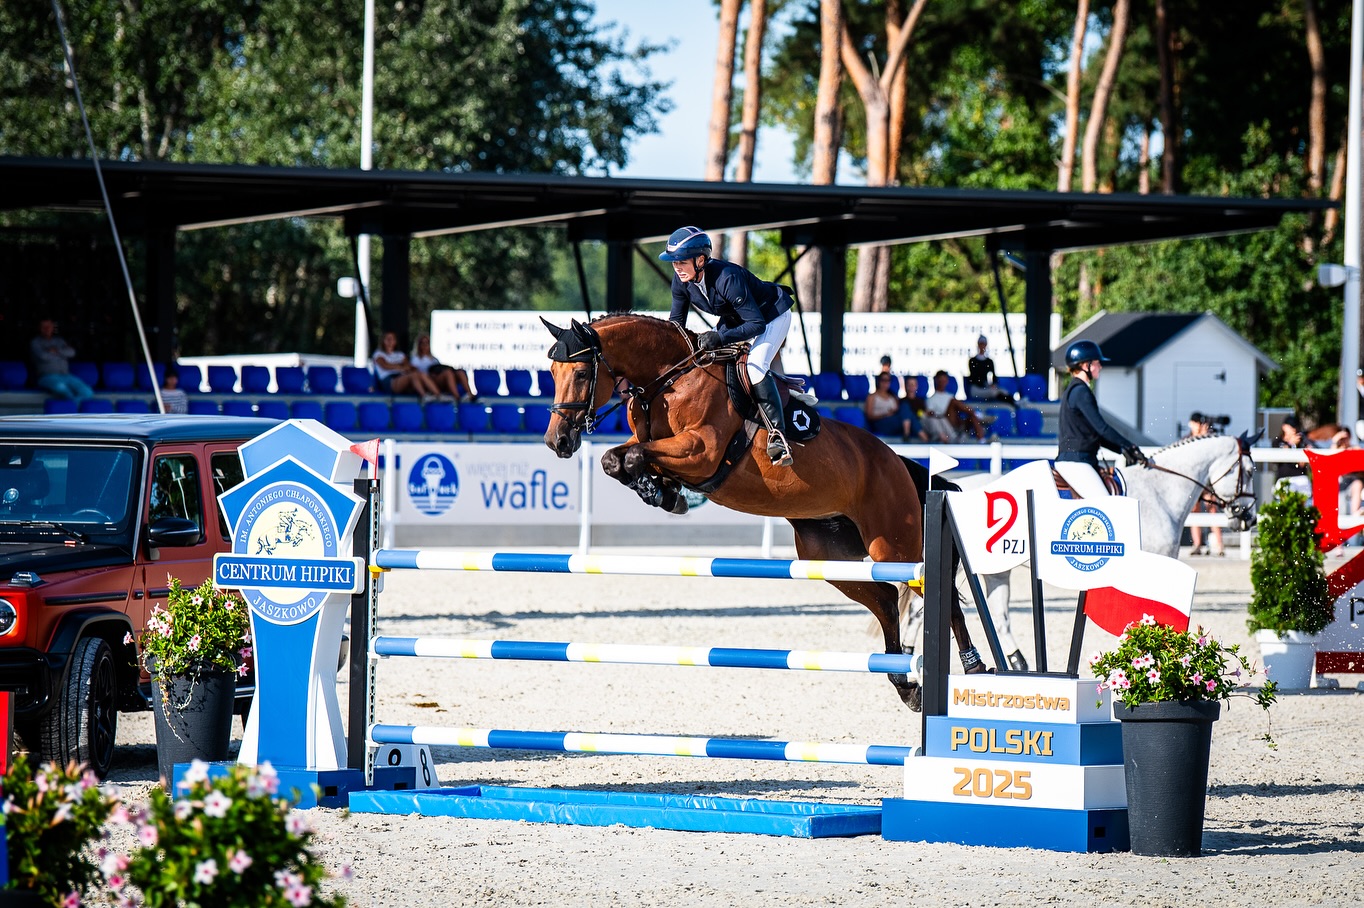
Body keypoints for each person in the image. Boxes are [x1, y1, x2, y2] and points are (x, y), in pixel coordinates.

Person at [661, 225, 796, 466]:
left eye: (681, 261)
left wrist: (721, 338)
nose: (677, 267)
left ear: (700, 260)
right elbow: (676, 327)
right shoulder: (681, 282)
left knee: (755, 366)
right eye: (674, 262)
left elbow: (756, 324)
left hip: (771, 316)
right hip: (737, 319)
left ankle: (778, 436)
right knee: (708, 359)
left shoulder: (727, 278)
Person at [1055, 339, 1148, 498]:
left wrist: (1122, 450)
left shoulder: (1075, 390)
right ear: (1086, 365)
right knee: (1105, 505)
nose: (1100, 367)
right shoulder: (1081, 392)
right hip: (1076, 462)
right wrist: (1130, 446)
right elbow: (1102, 428)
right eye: (1097, 363)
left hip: (1078, 460)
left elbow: (1095, 434)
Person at [1185, 412, 1224, 556]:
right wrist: (1198, 437)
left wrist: (1205, 436)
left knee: (1212, 508)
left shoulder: (1209, 438)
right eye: (1197, 423)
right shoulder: (1187, 440)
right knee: (1194, 510)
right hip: (1193, 480)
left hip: (1207, 481)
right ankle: (1197, 544)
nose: (1199, 426)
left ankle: (1219, 545)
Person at [29, 317, 93, 402]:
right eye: (43, 327)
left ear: (52, 327)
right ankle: (73, 407)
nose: (47, 329)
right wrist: (62, 354)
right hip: (47, 377)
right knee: (62, 388)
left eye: (49, 326)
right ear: (39, 328)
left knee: (87, 391)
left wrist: (56, 351)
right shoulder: (35, 342)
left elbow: (71, 352)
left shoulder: (59, 341)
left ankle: (73, 406)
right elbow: (43, 356)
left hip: (66, 375)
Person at [372, 330, 444, 402]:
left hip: (402, 377)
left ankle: (438, 395)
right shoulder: (378, 354)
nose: (390, 341)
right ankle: (424, 396)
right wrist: (400, 366)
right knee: (413, 375)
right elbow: (385, 365)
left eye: (392, 339)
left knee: (420, 374)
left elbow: (408, 366)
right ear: (383, 341)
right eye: (388, 339)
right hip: (389, 381)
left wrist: (397, 366)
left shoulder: (400, 354)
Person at [921, 370, 987, 443]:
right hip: (945, 421)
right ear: (936, 381)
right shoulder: (931, 399)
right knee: (953, 402)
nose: (942, 383)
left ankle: (982, 440)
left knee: (972, 416)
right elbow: (930, 413)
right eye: (941, 380)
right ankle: (979, 416)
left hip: (956, 421)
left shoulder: (950, 395)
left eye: (944, 381)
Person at [410, 334, 476, 402]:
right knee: (448, 373)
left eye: (427, 343)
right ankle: (457, 397)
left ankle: (470, 395)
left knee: (460, 372)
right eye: (422, 343)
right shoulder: (416, 359)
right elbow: (416, 374)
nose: (425, 345)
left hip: (438, 377)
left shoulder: (434, 359)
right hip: (429, 381)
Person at [864, 373, 923, 442]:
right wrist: (885, 415)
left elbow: (899, 411)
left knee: (906, 409)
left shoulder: (893, 396)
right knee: (908, 413)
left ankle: (908, 434)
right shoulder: (872, 396)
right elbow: (869, 415)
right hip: (881, 423)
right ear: (878, 381)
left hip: (894, 421)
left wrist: (893, 412)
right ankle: (923, 438)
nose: (885, 383)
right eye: (883, 380)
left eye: (888, 380)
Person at [964, 335, 1018, 409]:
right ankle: (1013, 403)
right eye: (981, 344)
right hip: (976, 388)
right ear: (978, 345)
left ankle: (1014, 402)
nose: (982, 346)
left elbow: (993, 376)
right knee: (993, 392)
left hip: (986, 387)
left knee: (1003, 391)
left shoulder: (989, 361)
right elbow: (975, 377)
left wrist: (993, 384)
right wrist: (987, 385)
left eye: (984, 344)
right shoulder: (972, 361)